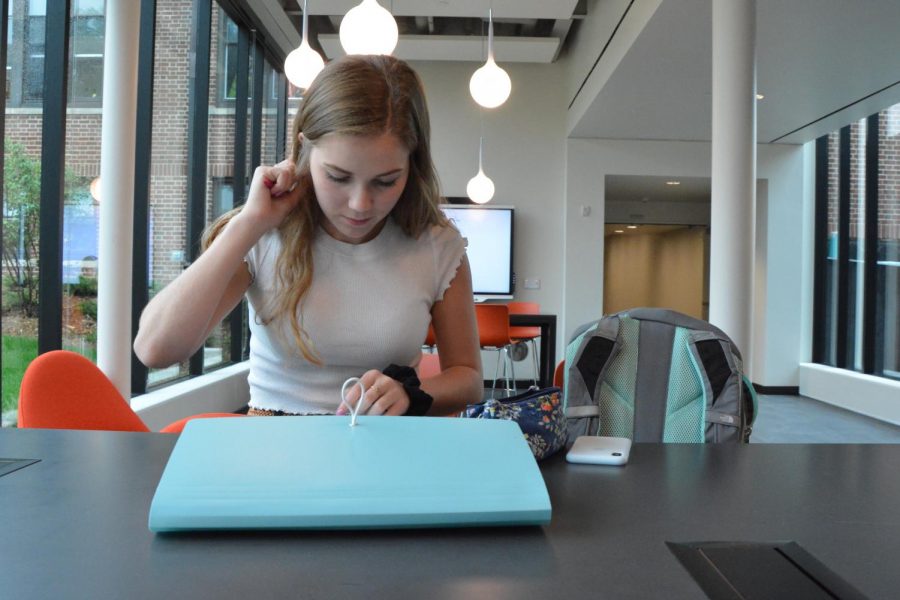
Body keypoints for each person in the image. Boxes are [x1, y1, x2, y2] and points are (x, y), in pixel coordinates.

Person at [134, 55, 483, 417]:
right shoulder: (263, 233)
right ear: (303, 149)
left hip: (384, 446)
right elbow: (155, 350)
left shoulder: (438, 246)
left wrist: (411, 393)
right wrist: (249, 223)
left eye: (386, 181)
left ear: (413, 166)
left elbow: (468, 378)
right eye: (338, 176)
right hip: (275, 447)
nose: (360, 204)